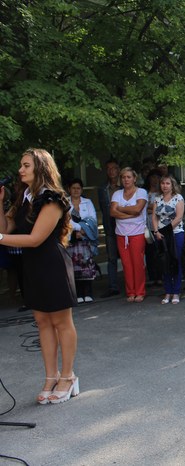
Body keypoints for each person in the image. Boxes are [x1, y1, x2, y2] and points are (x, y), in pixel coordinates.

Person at [0, 148, 79, 404]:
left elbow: (35, 239)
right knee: (42, 322)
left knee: (61, 322)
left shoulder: (51, 198)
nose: (20, 170)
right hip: (32, 265)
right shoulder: (23, 198)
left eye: (26, 165)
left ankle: (68, 376)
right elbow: (6, 228)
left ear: (41, 168)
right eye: (21, 165)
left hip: (52, 264)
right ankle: (50, 376)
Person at [111, 167, 148, 302]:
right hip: (121, 234)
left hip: (137, 232)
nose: (126, 180)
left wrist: (120, 209)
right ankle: (130, 292)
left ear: (134, 178)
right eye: (123, 177)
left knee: (137, 263)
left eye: (128, 177)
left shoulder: (141, 192)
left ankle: (140, 291)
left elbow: (137, 209)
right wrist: (129, 214)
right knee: (126, 264)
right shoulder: (117, 193)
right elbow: (112, 212)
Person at [152, 174, 185, 304]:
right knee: (164, 262)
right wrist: (156, 231)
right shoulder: (157, 199)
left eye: (167, 183)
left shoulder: (178, 198)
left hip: (175, 233)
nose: (165, 186)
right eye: (162, 183)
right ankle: (168, 291)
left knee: (175, 261)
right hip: (160, 234)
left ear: (172, 185)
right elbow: (155, 217)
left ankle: (176, 291)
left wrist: (166, 231)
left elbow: (179, 217)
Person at [67, 178, 99, 303]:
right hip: (72, 239)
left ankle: (88, 293)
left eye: (78, 188)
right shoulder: (65, 202)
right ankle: (78, 294)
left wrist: (83, 231)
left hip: (86, 239)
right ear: (69, 189)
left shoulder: (88, 202)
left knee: (86, 266)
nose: (76, 190)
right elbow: (66, 220)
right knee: (74, 267)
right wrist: (79, 229)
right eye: (73, 188)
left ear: (82, 190)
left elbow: (93, 219)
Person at [97, 158, 121, 297]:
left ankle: (131, 286)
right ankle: (113, 286)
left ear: (118, 170)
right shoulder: (102, 188)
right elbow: (104, 209)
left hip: (124, 226)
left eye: (114, 168)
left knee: (127, 258)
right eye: (109, 169)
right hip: (109, 227)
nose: (111, 171)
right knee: (111, 258)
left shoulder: (124, 186)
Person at [144, 169, 162, 286]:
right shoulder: (144, 193)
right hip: (146, 226)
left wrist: (151, 208)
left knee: (159, 251)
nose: (155, 180)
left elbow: (160, 208)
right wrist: (152, 208)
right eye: (153, 177)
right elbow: (142, 207)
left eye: (157, 177)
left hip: (159, 226)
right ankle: (152, 276)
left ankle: (160, 276)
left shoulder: (161, 193)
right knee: (149, 252)